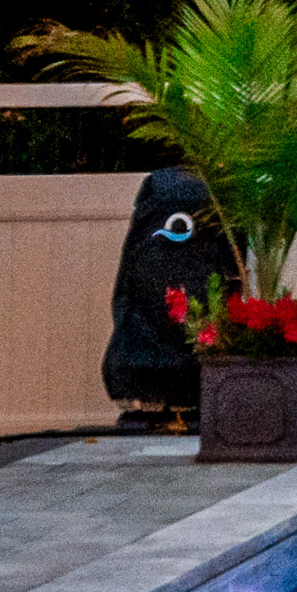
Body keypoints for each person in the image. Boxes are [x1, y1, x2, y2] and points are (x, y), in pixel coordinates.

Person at [103, 164, 232, 426]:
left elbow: (130, 287)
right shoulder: (207, 205)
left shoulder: (157, 200)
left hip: (138, 366)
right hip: (203, 371)